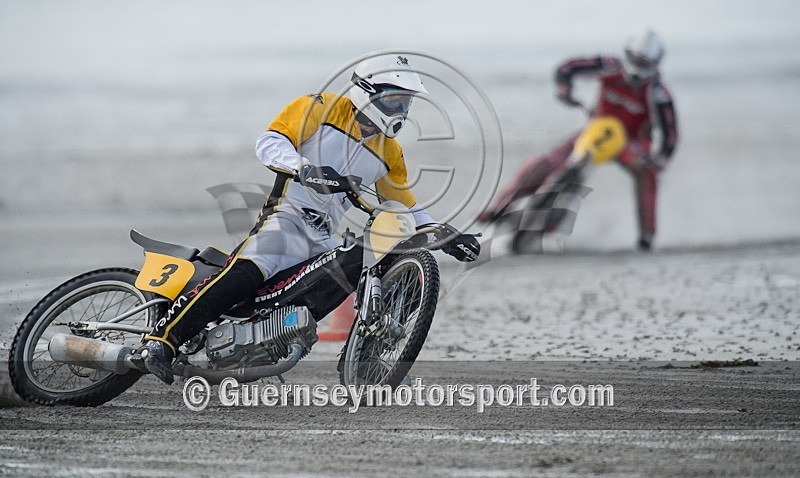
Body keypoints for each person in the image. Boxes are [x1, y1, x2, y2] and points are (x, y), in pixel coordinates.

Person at [136, 54, 481, 384]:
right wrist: (304, 169)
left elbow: (405, 206)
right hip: (285, 220)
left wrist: (446, 234)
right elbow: (269, 142)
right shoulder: (321, 107)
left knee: (368, 257)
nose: (401, 111)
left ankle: (363, 357)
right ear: (366, 91)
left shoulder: (390, 152)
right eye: (394, 101)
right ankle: (162, 341)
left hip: (324, 237)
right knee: (245, 273)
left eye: (406, 103)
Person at [480, 30, 678, 251]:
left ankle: (646, 237)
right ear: (627, 54)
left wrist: (658, 159)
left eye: (644, 62)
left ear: (655, 63)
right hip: (595, 131)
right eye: (636, 59)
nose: (637, 68)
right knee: (546, 162)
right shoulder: (610, 65)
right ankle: (499, 207)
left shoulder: (658, 93)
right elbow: (568, 68)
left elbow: (670, 134)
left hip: (630, 144)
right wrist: (564, 88)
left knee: (648, 173)